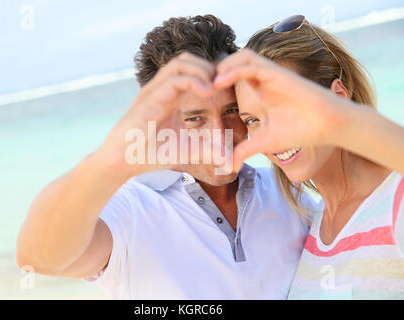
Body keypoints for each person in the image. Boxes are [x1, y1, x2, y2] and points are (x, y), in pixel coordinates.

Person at [16, 15, 318, 299]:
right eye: (194, 118)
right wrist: (110, 161)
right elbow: (39, 258)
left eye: (230, 111)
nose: (219, 134)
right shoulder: (129, 211)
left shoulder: (289, 193)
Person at [214, 15, 404, 299]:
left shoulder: (396, 203)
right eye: (253, 120)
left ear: (337, 98)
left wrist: (353, 125)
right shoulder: (310, 224)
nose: (272, 136)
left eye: (282, 109)